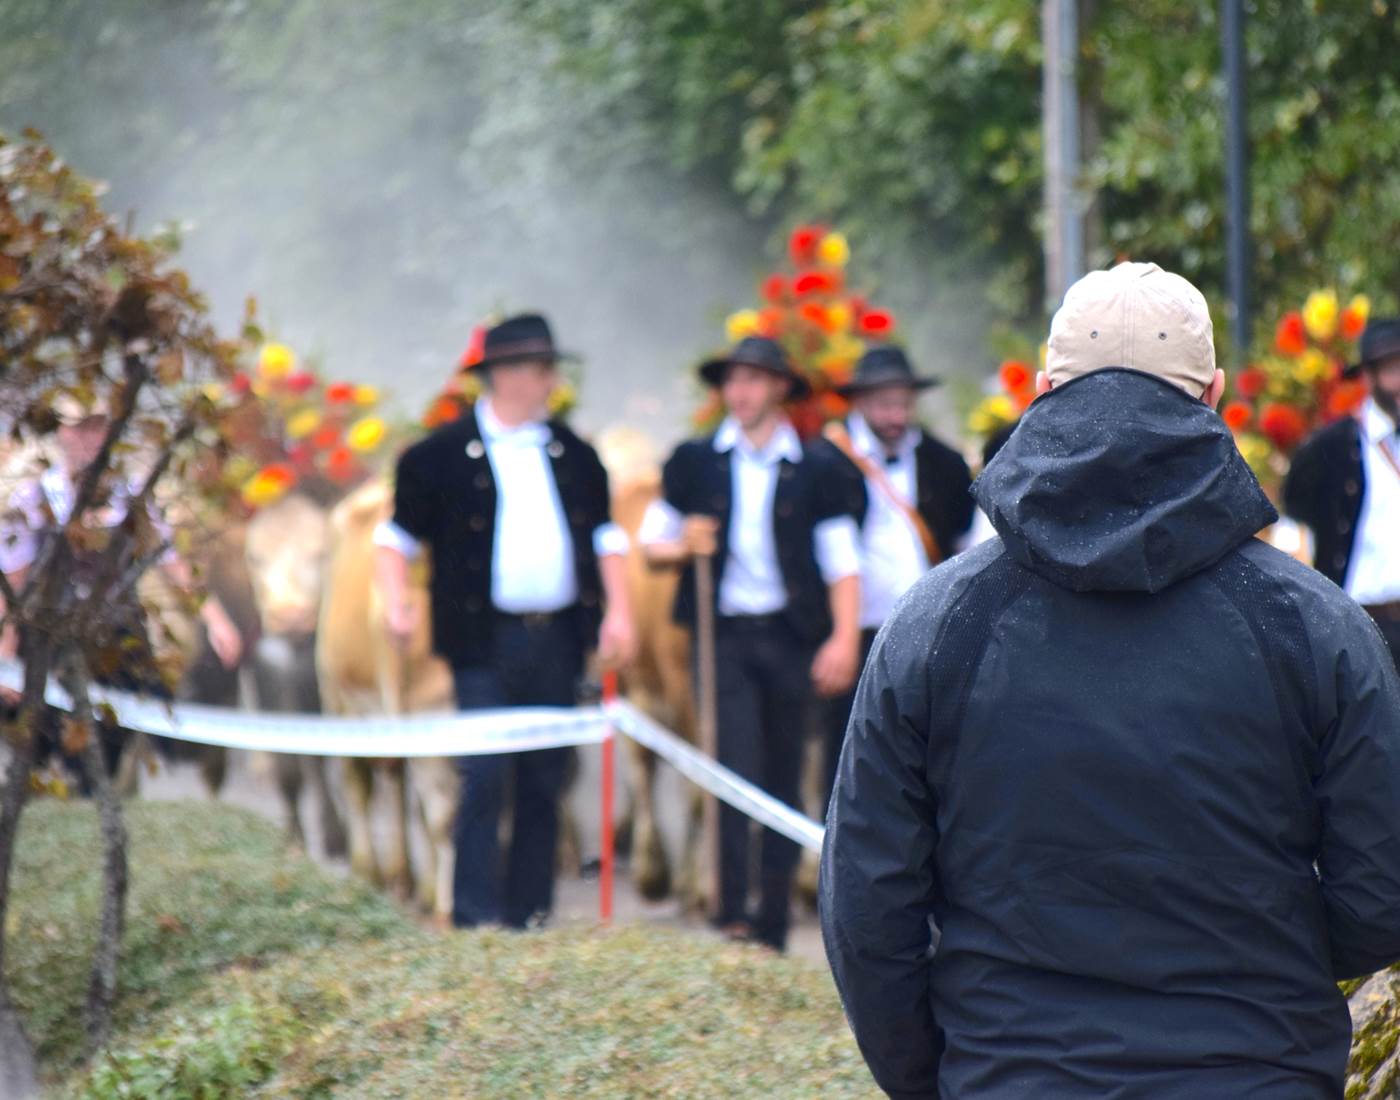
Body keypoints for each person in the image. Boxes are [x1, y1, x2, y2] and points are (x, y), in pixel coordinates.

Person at [822, 261, 1400, 1098]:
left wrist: (942, 1076)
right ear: (1213, 395)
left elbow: (867, 912)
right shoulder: (1316, 627)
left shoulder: (936, 626)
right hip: (1253, 1071)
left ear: (1046, 388)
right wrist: (1266, 965)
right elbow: (1380, 895)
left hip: (1010, 1073)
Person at [374, 313, 635, 930]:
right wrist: (394, 598)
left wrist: (619, 610)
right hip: (482, 639)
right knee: (486, 772)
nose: (550, 382)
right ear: (506, 376)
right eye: (541, 370)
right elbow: (396, 539)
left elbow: (606, 538)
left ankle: (530, 914)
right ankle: (473, 913)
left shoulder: (575, 454)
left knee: (546, 777)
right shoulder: (437, 455)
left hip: (558, 636)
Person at [640, 335, 865, 952]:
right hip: (725, 639)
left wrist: (845, 637)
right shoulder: (695, 461)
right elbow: (651, 544)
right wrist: (685, 543)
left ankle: (771, 920)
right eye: (732, 382)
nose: (739, 393)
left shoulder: (817, 467)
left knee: (786, 772)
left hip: (793, 637)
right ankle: (731, 910)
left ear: (777, 389)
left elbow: (843, 562)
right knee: (733, 766)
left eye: (752, 381)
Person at [0, 395, 244, 783]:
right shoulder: (35, 499)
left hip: (116, 638)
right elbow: (12, 583)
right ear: (62, 433)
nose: (89, 438)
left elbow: (171, 562)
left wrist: (216, 619)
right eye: (80, 428)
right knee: (47, 745)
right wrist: (7, 655)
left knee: (132, 734)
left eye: (97, 427)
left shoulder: (129, 496)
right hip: (50, 641)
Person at [820, 345, 973, 809]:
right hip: (858, 634)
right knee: (847, 755)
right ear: (860, 403)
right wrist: (840, 636)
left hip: (929, 637)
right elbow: (832, 557)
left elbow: (967, 548)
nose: (895, 415)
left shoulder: (944, 463)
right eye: (885, 404)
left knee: (926, 754)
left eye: (903, 404)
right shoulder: (826, 463)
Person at [1285, 316, 1400, 669]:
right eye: (1391, 370)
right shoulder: (1331, 448)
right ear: (1367, 377)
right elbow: (1294, 520)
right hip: (1364, 625)